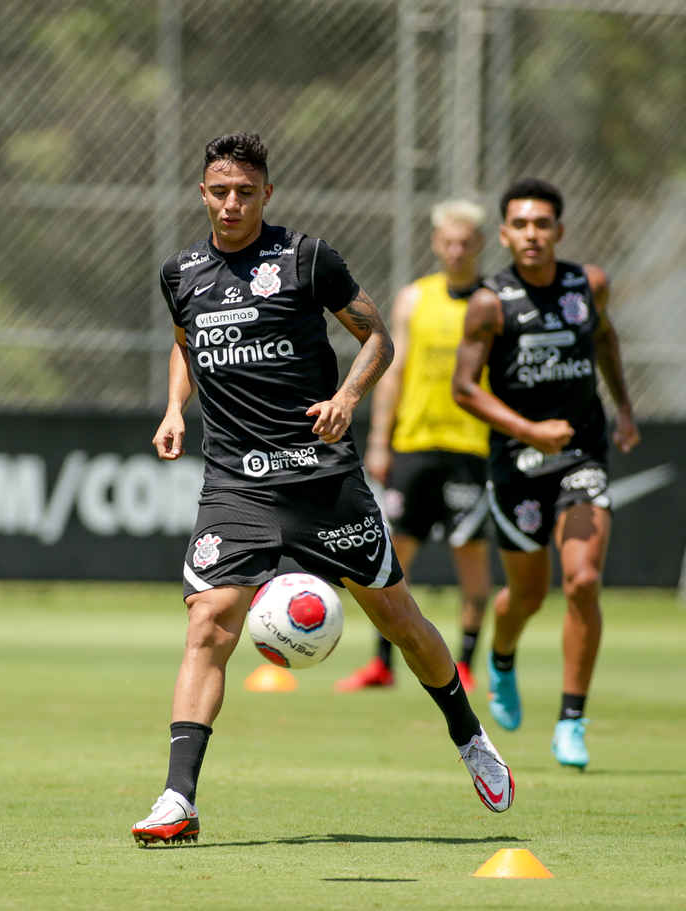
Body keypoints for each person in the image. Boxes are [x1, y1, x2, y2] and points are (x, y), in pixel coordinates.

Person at [131, 133, 513, 847]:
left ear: (266, 194)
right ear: (203, 193)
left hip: (321, 478)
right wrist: (174, 406)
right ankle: (176, 797)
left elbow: (376, 339)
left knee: (397, 616)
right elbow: (185, 341)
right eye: (221, 190)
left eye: (246, 190)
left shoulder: (306, 258)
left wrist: (346, 395)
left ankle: (469, 736)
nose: (233, 202)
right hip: (235, 485)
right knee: (210, 620)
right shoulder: (180, 273)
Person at [452, 178, 639, 771]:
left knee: (582, 581)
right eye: (520, 225)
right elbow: (463, 389)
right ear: (504, 234)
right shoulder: (490, 303)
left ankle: (572, 719)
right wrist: (529, 431)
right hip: (517, 466)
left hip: (582, 457)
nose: (532, 234)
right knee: (526, 595)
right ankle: (502, 658)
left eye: (542, 224)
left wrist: (625, 408)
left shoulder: (591, 284)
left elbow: (605, 340)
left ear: (559, 230)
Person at [336, 199, 492, 694]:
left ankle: (465, 662)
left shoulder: (493, 303)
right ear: (436, 243)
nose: (457, 249)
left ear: (479, 244)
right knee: (392, 552)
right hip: (415, 444)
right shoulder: (413, 300)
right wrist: (380, 440)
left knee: (469, 551)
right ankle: (383, 663)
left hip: (472, 447)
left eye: (466, 241)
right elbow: (393, 370)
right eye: (449, 240)